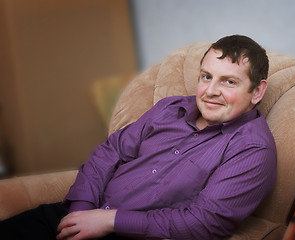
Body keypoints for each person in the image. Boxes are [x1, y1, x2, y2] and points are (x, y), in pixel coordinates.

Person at [0, 35, 277, 240]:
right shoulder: (170, 108)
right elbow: (110, 152)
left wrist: (109, 221)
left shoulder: (252, 150)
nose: (210, 91)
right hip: (79, 215)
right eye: (206, 77)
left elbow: (202, 223)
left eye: (229, 82)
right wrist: (81, 212)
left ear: (257, 91)